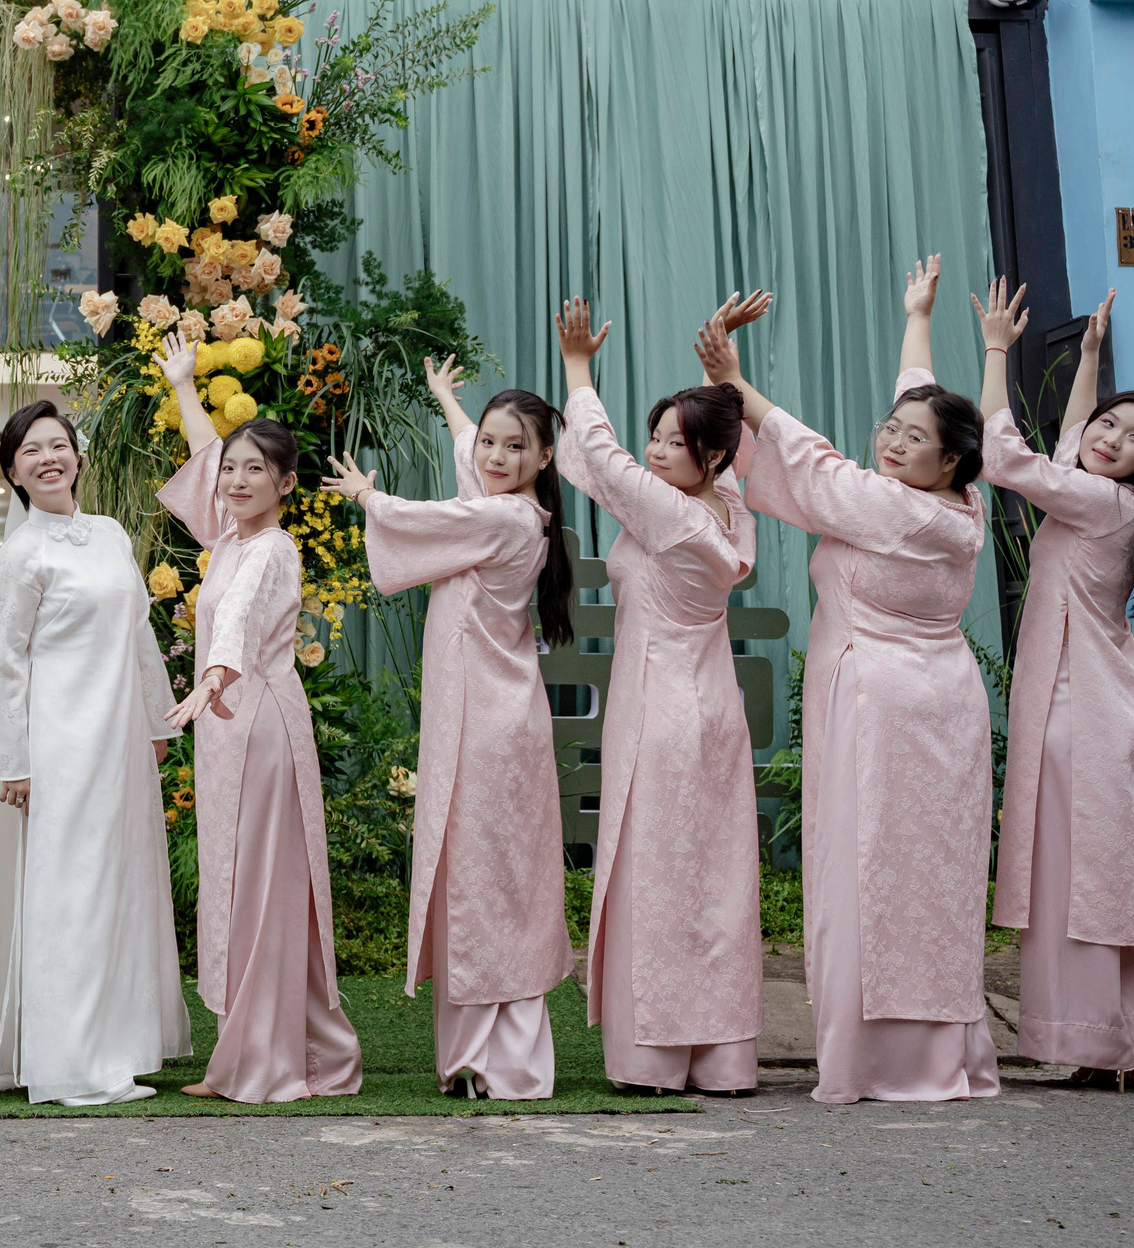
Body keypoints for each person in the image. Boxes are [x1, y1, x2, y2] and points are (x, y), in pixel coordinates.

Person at [697, 255, 1001, 1106]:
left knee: (875, 870)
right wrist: (918, 314)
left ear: (951, 466)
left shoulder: (899, 509)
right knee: (926, 875)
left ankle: (889, 1063)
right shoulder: (957, 506)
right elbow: (923, 397)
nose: (895, 440)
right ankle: (927, 1053)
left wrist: (735, 384)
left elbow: (819, 468)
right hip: (932, 702)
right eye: (892, 429)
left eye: (914, 441)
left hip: (886, 709)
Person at [325, 357, 575, 1101]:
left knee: (481, 885)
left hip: (486, 732)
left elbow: (426, 517)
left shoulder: (500, 517)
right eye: (492, 442)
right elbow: (470, 462)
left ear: (545, 458)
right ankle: (494, 1061)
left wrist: (371, 496)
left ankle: (487, 1062)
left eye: (514, 447)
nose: (495, 456)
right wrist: (446, 400)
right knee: (498, 882)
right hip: (493, 724)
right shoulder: (520, 510)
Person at [974, 283, 1134, 1092]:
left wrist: (997, 347)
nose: (1109, 439)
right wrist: (1092, 358)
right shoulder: (1098, 485)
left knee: (1092, 873)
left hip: (1084, 710)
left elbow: (1006, 459)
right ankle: (1132, 1044)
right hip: (1082, 701)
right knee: (1101, 869)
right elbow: (1070, 438)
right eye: (1112, 423)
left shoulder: (1112, 507)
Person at [553, 295, 769, 1097]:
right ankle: (720, 1059)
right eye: (657, 436)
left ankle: (655, 1057)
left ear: (711, 458)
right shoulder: (729, 512)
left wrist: (579, 365)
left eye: (675, 443)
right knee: (713, 879)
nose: (655, 450)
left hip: (663, 714)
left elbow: (602, 459)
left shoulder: (672, 514)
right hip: (711, 709)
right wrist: (722, 371)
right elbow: (665, 451)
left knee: (660, 875)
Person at [0, 399, 192, 1106]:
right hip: (58, 744)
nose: (49, 458)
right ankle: (72, 1061)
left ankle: (120, 1046)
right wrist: (15, 762)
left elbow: (140, 634)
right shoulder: (20, 556)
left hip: (120, 740)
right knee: (73, 891)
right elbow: (4, 664)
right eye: (31, 451)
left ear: (78, 457)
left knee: (120, 884)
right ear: (13, 473)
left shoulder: (111, 533)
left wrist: (158, 722)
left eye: (58, 445)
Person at [156, 332, 362, 1104]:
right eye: (234, 469)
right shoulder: (231, 538)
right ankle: (254, 1051)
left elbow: (238, 619)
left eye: (256, 470)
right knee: (240, 884)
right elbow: (208, 458)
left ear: (286, 483)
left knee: (265, 889)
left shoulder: (271, 551)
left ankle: (269, 1061)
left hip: (260, 725)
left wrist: (211, 676)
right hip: (225, 725)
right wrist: (184, 386)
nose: (237, 479)